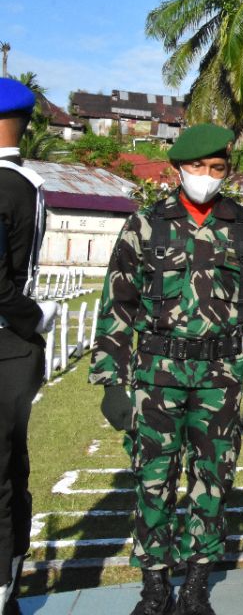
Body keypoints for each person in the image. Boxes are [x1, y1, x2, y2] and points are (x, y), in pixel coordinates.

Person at [89, 124, 243, 615]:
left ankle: (196, 586)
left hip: (221, 376)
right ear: (179, 168)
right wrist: (111, 381)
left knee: (211, 481)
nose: (207, 175)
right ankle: (154, 587)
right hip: (157, 375)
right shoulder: (145, 224)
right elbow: (118, 301)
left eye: (217, 168)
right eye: (197, 167)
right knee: (153, 479)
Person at [0, 78, 58, 615]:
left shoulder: (3, 185)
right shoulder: (26, 181)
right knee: (11, 469)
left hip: (6, 339)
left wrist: (35, 314)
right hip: (17, 350)